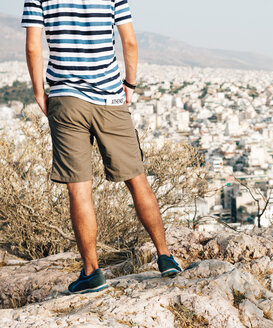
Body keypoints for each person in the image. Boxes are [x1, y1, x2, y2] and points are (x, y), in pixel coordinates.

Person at [21, 0, 181, 294]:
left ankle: (92, 273)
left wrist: (38, 92)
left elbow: (33, 47)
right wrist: (129, 85)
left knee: (79, 188)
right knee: (137, 178)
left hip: (65, 99)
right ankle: (165, 256)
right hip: (109, 96)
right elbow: (129, 41)